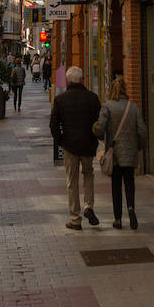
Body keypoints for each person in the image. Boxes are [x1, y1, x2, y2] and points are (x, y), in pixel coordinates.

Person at [49, 67, 101, 230]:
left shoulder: (61, 100)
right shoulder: (93, 98)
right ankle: (89, 206)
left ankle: (75, 218)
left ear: (68, 81)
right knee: (88, 174)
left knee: (72, 181)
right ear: (82, 80)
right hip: (88, 144)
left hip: (70, 145)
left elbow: (53, 124)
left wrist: (61, 140)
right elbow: (99, 123)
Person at [93, 76, 147, 231]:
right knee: (129, 182)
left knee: (116, 185)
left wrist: (94, 129)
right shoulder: (133, 107)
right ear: (125, 89)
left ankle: (117, 218)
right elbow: (142, 130)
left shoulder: (107, 106)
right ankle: (131, 208)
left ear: (112, 90)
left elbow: (100, 128)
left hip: (114, 153)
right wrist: (139, 147)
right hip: (129, 152)